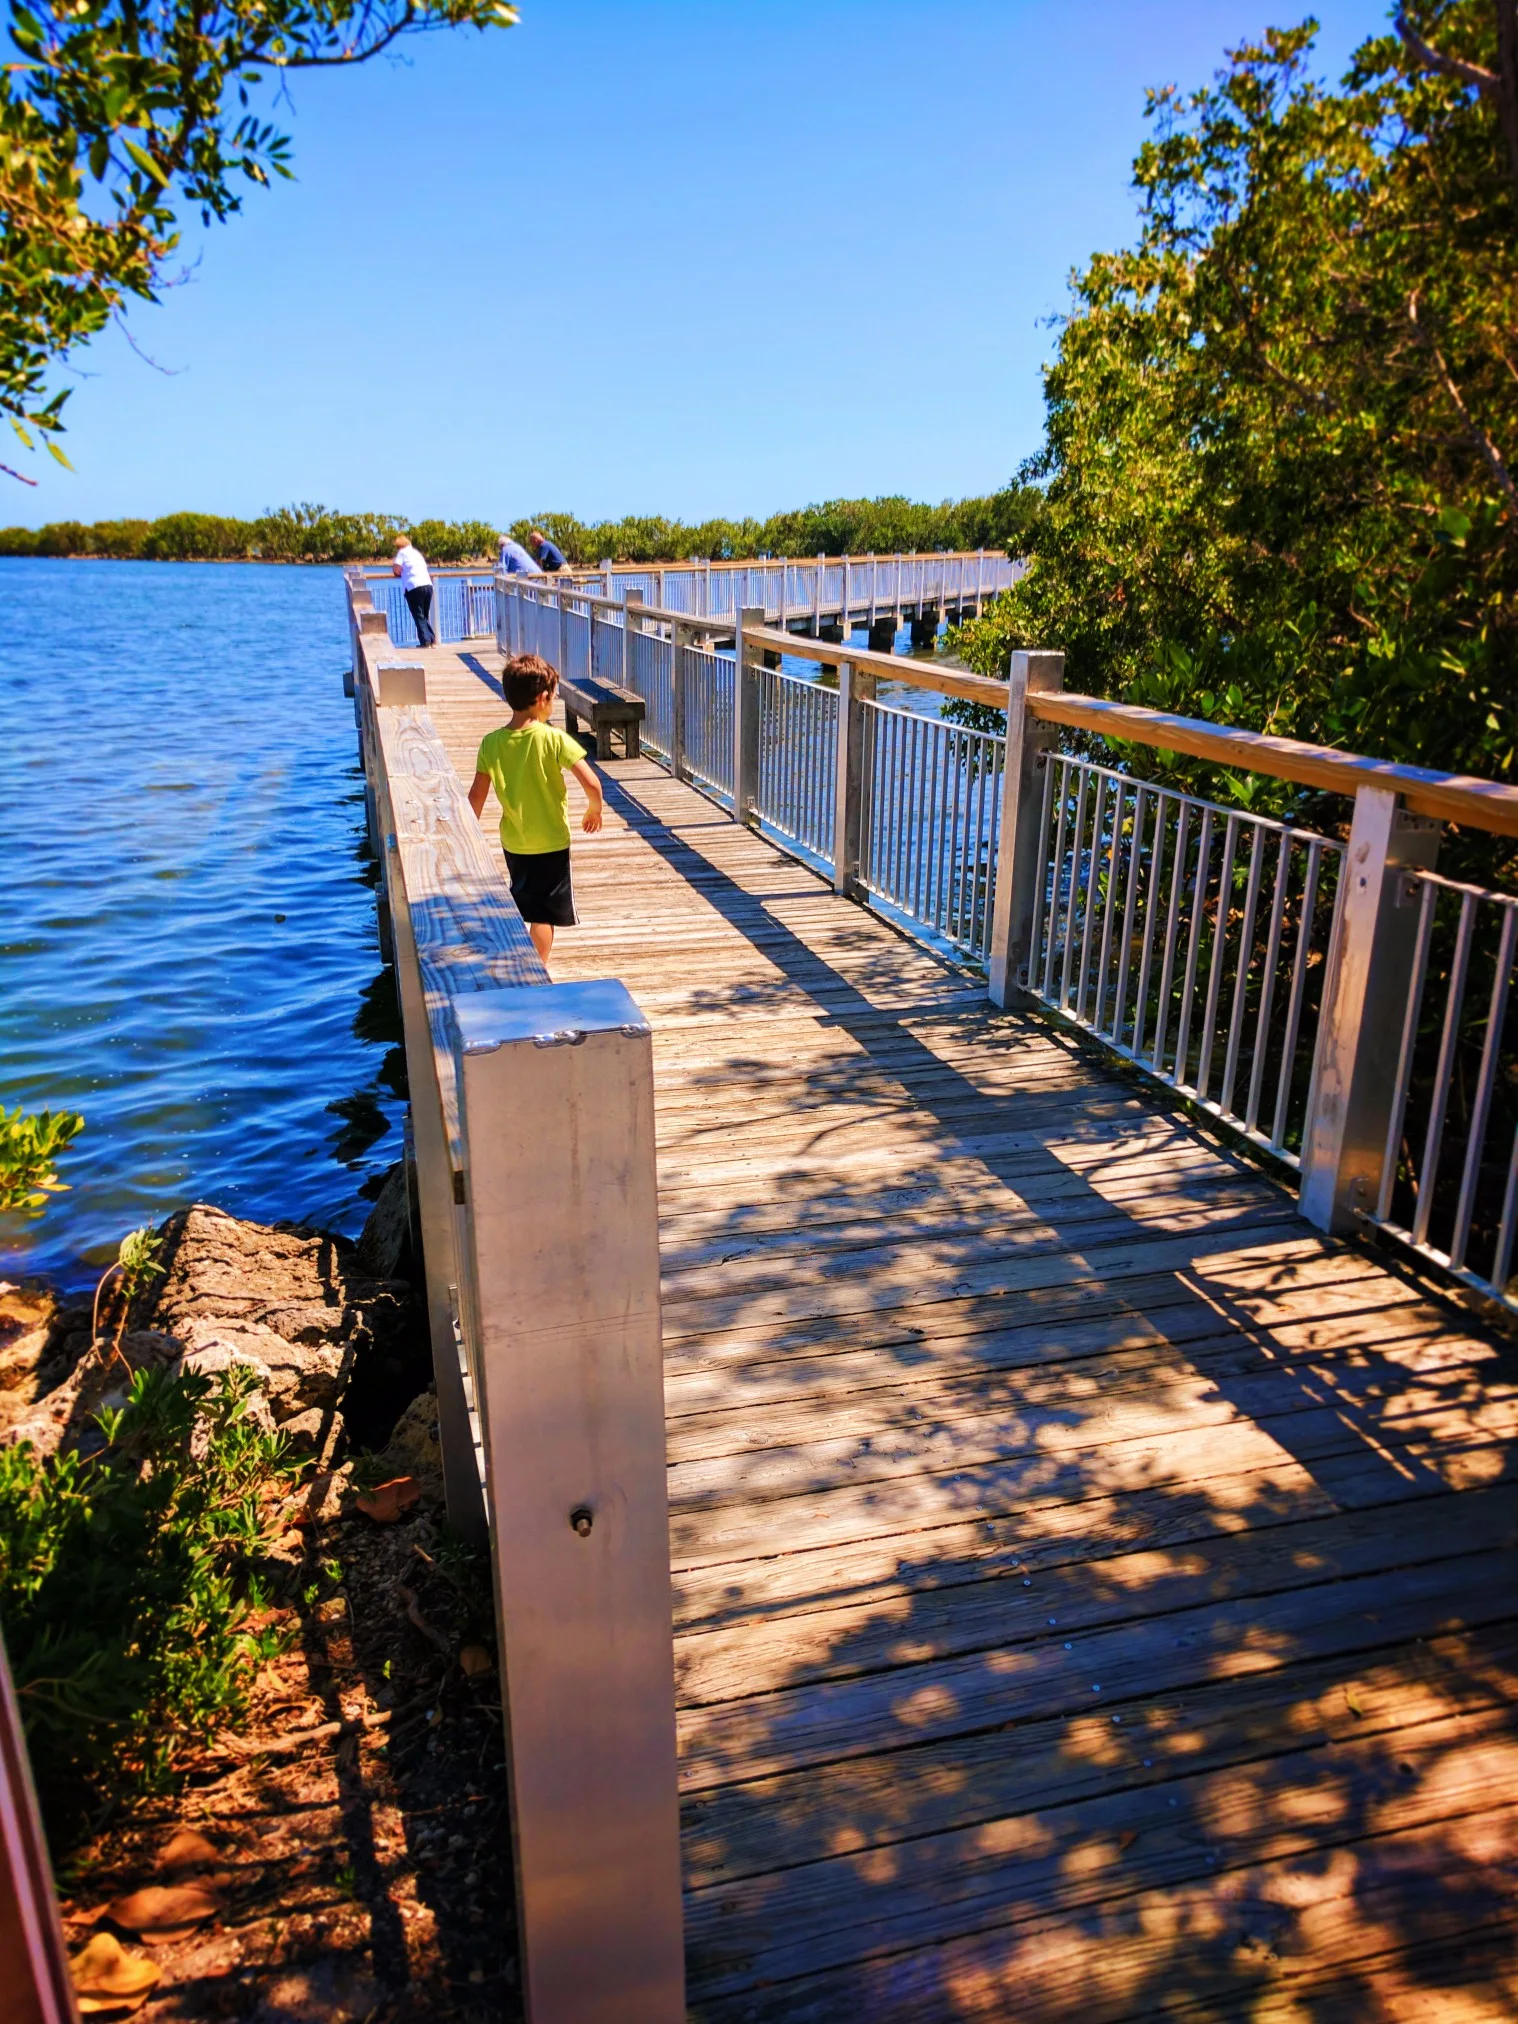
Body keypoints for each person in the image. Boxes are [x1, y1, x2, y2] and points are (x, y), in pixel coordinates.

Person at [468, 652, 603, 965]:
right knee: (543, 917)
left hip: (515, 842)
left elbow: (476, 797)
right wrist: (593, 811)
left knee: (523, 900)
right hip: (552, 842)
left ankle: (515, 954)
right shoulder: (553, 738)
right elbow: (593, 784)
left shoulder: (491, 743)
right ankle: (535, 968)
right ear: (543, 698)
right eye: (553, 697)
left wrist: (469, 831)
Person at [392, 532, 434, 647]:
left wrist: (397, 573)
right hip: (428, 585)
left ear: (399, 546)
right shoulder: (416, 553)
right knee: (424, 615)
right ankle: (431, 640)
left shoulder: (402, 553)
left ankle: (425, 642)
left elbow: (396, 569)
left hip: (414, 587)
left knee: (418, 615)